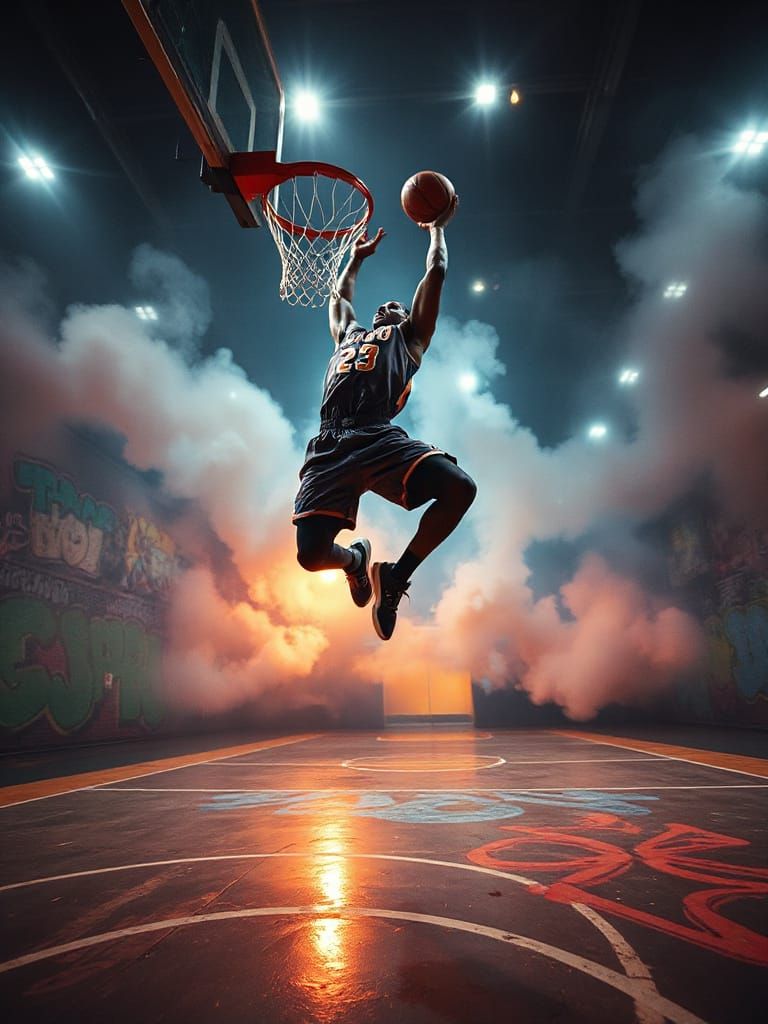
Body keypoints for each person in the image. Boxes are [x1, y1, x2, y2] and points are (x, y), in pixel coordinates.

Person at [293, 195, 476, 640]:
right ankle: (356, 560)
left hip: (377, 436)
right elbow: (339, 298)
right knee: (311, 556)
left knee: (460, 488)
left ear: (405, 318)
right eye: (385, 305)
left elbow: (436, 272)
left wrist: (436, 228)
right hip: (330, 443)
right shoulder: (349, 336)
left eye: (398, 306)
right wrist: (354, 261)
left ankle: (396, 575)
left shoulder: (410, 339)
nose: (389, 305)